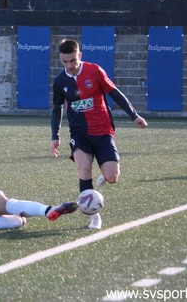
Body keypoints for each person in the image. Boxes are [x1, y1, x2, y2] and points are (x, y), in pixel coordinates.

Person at [50, 39, 148, 230]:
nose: (69, 66)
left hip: (103, 132)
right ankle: (94, 217)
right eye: (65, 62)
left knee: (112, 177)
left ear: (79, 55)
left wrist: (133, 115)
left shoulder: (95, 71)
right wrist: (55, 136)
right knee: (84, 169)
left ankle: (105, 176)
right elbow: (56, 109)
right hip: (79, 134)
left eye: (72, 61)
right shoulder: (60, 81)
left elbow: (114, 93)